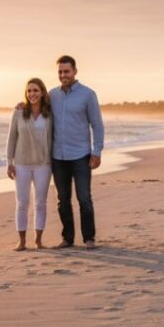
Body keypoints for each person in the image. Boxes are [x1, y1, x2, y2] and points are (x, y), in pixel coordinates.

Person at [48, 55, 104, 249]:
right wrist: (22, 107)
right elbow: (36, 108)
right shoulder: (52, 95)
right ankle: (68, 238)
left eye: (67, 71)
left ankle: (89, 238)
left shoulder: (88, 94)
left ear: (75, 72)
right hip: (58, 156)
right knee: (63, 200)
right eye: (60, 72)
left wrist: (97, 152)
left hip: (81, 155)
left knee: (84, 198)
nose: (63, 75)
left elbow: (97, 125)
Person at [6, 78, 53, 251]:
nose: (32, 94)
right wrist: (9, 162)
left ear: (42, 92)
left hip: (43, 164)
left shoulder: (49, 113)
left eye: (35, 90)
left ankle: (38, 241)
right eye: (29, 91)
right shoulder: (19, 112)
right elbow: (12, 138)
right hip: (22, 163)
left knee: (41, 202)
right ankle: (22, 241)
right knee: (22, 202)